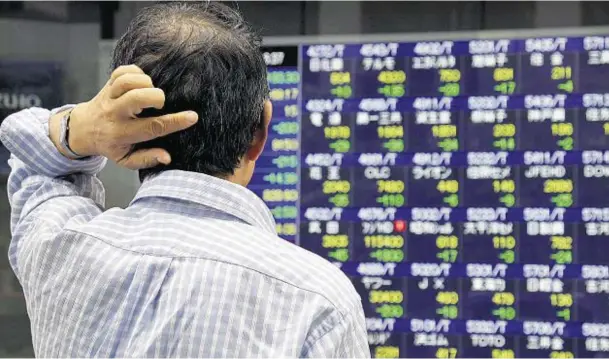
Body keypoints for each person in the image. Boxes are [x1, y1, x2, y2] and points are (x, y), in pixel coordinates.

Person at [0, 2, 369, 358]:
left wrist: (79, 128)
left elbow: (25, 146)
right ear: (260, 131)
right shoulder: (318, 303)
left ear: (122, 125)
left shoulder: (59, 250)